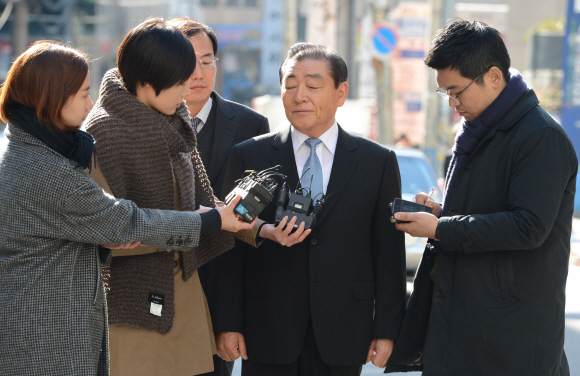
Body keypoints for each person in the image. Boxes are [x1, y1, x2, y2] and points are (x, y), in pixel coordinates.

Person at [0, 41, 251, 376]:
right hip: (49, 339)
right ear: (51, 98)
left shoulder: (23, 148)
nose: (90, 103)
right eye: (82, 94)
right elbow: (127, 222)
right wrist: (208, 222)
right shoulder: (50, 171)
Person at [389, 20, 577, 375]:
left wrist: (441, 228)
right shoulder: (477, 130)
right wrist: (441, 214)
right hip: (463, 323)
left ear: (493, 76)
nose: (453, 103)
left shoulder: (541, 137)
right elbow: (486, 213)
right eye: (445, 93)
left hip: (511, 336)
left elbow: (528, 226)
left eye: (457, 91)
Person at [213, 43, 407, 376]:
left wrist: (387, 329)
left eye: (313, 86)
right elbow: (228, 246)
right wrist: (226, 323)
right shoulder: (249, 156)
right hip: (266, 328)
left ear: (341, 92)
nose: (299, 95)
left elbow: (389, 253)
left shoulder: (377, 162)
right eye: (290, 86)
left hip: (344, 330)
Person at [84, 19, 253, 376]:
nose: (187, 90)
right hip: (131, 311)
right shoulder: (102, 132)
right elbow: (109, 233)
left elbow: (202, 206)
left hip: (185, 302)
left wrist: (254, 227)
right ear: (148, 80)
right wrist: (198, 223)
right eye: (178, 81)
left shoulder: (173, 121)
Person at [167, 17, 270, 376]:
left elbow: (247, 229)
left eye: (207, 60)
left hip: (217, 299)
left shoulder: (250, 126)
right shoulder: (145, 123)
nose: (199, 72)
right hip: (157, 294)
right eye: (188, 61)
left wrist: (231, 318)